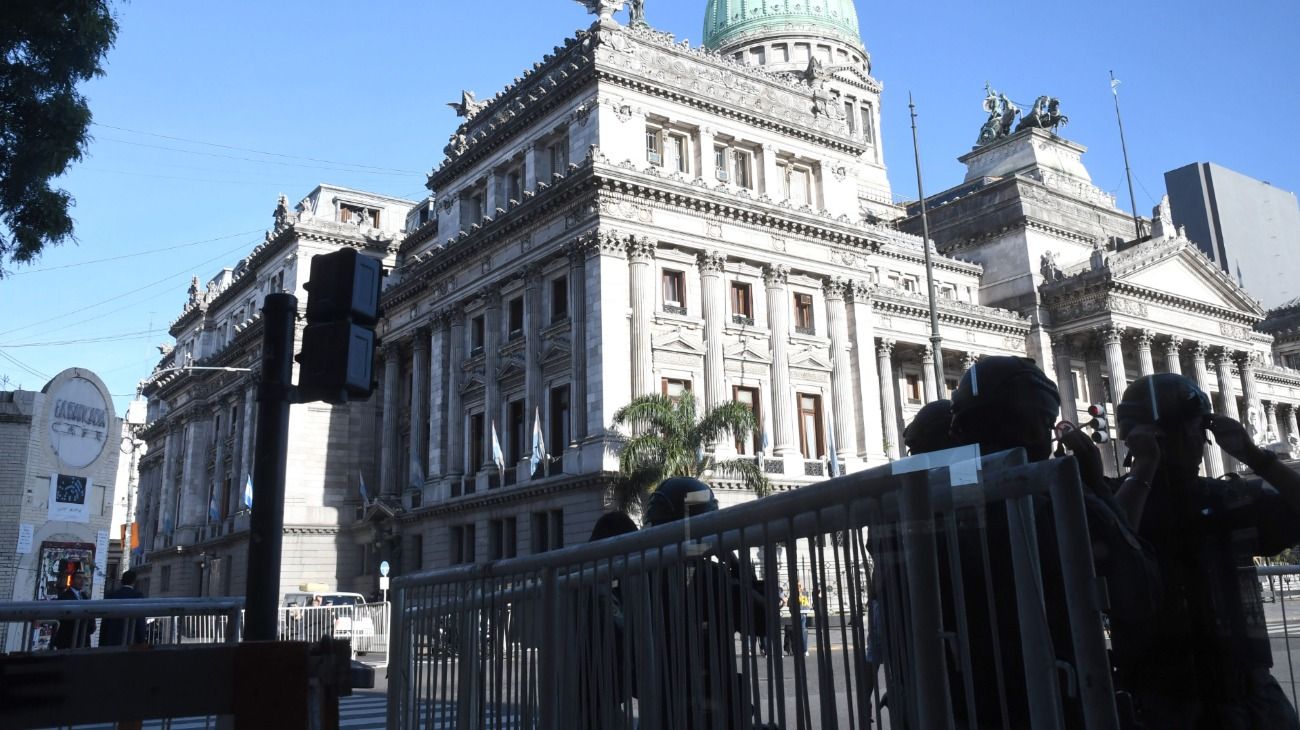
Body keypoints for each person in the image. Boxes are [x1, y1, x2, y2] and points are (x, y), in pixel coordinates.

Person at [943, 355, 1160, 729]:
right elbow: (1141, 586)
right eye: (1046, 424)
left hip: (965, 702)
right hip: (1055, 697)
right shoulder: (1045, 503)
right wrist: (1091, 486)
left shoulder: (931, 504)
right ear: (1031, 427)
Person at [1110, 374, 1300, 729]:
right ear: (1164, 434)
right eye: (1199, 429)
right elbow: (1109, 545)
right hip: (1164, 699)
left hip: (1241, 688)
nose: (1206, 443)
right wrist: (1145, 467)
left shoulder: (1224, 497)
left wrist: (1258, 458)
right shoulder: (1116, 500)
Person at [642, 477, 772, 729]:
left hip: (663, 709)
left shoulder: (642, 576)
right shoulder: (710, 577)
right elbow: (763, 620)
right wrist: (737, 566)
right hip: (711, 707)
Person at [100, 570, 148, 647]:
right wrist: (141, 639)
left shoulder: (112, 595)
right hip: (130, 639)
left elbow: (105, 621)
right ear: (134, 582)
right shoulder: (137, 596)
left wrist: (102, 640)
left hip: (111, 638)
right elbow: (140, 620)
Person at [52, 572, 94, 649]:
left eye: (83, 578)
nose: (82, 581)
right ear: (71, 580)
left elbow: (90, 613)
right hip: (68, 639)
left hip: (83, 639)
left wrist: (91, 626)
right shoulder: (64, 596)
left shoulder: (84, 596)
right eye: (79, 578)